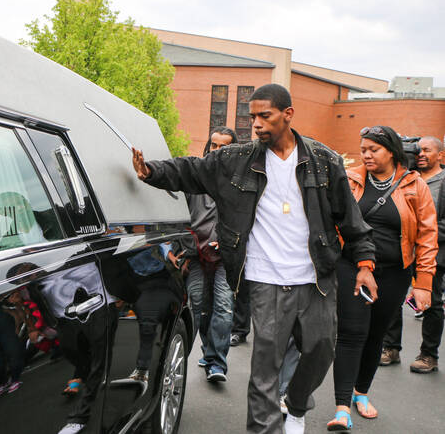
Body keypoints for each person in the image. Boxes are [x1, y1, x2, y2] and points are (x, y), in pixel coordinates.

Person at [132, 84, 376, 434]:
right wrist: (152, 172)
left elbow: (350, 219)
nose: (257, 124)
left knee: (321, 349)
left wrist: (366, 265)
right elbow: (191, 169)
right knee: (266, 367)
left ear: (288, 114)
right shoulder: (235, 159)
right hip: (265, 278)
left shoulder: (324, 161)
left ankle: (295, 406)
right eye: (252, 117)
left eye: (265, 115)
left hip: (316, 277)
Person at [327, 126, 437, 431]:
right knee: (351, 332)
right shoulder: (350, 179)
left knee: (376, 334)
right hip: (351, 266)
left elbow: (427, 236)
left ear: (390, 150)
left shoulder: (415, 185)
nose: (366, 155)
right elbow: (335, 220)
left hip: (395, 272)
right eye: (363, 149)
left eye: (373, 149)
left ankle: (361, 393)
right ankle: (341, 407)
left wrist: (423, 282)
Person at [172, 126, 237, 383]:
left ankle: (215, 362)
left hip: (225, 259)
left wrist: (228, 243)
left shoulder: (239, 183)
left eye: (224, 147)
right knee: (198, 306)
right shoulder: (194, 178)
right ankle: (200, 353)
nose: (217, 151)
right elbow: (179, 217)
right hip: (194, 255)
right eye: (214, 145)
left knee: (223, 307)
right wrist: (182, 250)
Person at [379, 136, 445, 373]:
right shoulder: (406, 179)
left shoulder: (443, 181)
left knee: (432, 303)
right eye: (418, 150)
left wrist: (423, 233)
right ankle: (390, 348)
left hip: (432, 251)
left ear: (440, 155)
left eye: (427, 150)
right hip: (401, 250)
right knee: (393, 299)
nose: (421, 154)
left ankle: (429, 355)